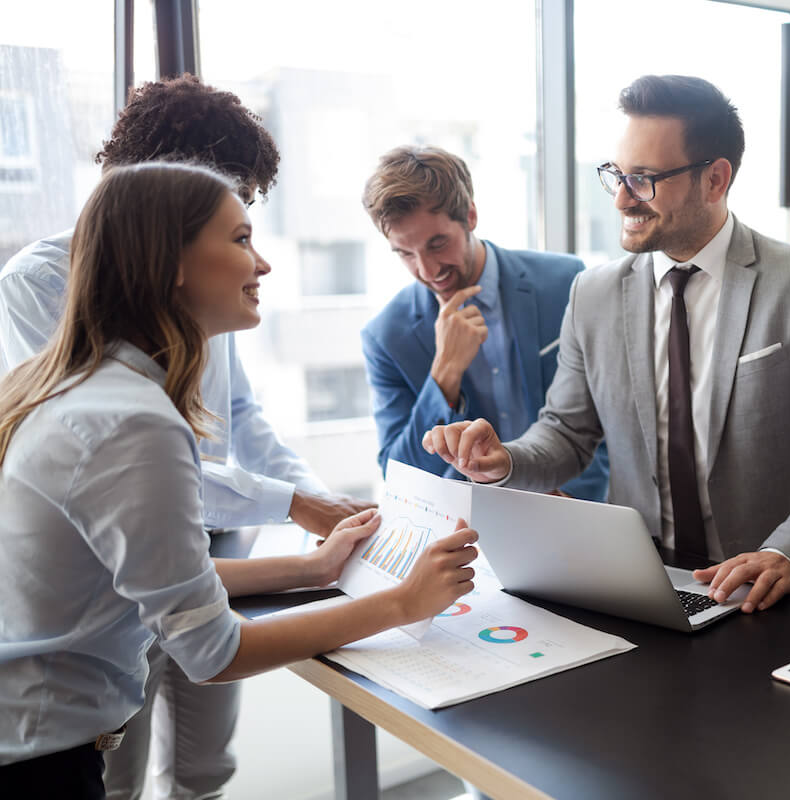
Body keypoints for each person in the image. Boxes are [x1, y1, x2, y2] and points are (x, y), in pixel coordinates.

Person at [0, 163, 477, 799]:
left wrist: (312, 570)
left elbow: (140, 576)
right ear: (173, 262)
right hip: (38, 760)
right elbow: (214, 653)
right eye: (241, 238)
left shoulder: (75, 386)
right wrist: (402, 604)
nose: (264, 264)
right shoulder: (135, 421)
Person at [424, 75, 790, 611]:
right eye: (617, 176)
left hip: (779, 596)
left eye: (643, 179)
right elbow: (567, 434)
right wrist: (503, 459)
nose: (622, 199)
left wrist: (788, 554)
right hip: (645, 593)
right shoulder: (593, 293)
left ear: (715, 179)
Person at [359, 145, 608, 500]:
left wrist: (585, 502)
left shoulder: (565, 281)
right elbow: (399, 476)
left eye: (437, 243)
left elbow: (607, 417)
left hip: (579, 506)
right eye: (405, 253)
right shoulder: (386, 337)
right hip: (470, 532)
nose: (427, 271)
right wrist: (444, 373)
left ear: (470, 216)